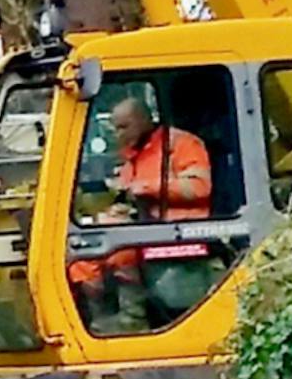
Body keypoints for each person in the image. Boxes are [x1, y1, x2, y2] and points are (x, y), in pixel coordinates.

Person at [64, 92, 213, 333]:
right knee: (83, 252)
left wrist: (144, 188)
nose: (118, 134)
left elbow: (200, 187)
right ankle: (95, 320)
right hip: (148, 226)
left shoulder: (181, 144)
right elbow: (128, 195)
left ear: (145, 120)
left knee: (117, 250)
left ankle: (132, 317)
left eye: (124, 127)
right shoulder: (134, 155)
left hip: (180, 231)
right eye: (115, 128)